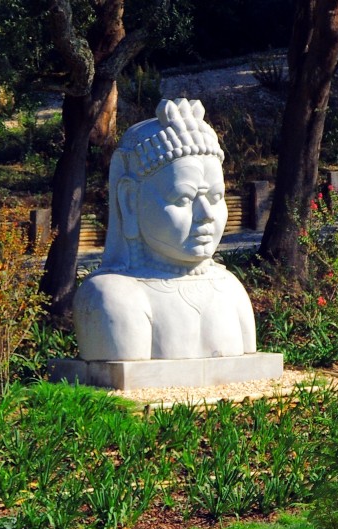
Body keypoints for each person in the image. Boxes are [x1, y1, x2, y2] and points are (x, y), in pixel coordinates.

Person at [73, 99, 257, 362]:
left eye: (216, 197)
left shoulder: (231, 290)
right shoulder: (113, 298)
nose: (205, 215)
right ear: (129, 201)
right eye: (183, 199)